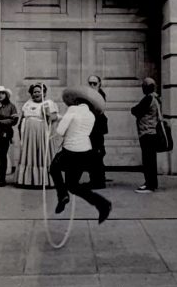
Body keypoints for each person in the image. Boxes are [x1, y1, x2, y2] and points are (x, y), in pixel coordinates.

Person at [49, 86, 112, 224]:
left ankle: (62, 195)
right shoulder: (90, 115)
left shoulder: (72, 109)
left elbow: (60, 131)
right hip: (85, 151)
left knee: (53, 169)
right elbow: (78, 125)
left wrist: (56, 124)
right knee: (73, 185)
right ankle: (101, 204)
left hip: (70, 150)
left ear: (76, 101)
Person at [16, 83, 59, 188]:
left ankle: (45, 181)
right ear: (31, 94)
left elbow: (54, 117)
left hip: (42, 133)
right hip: (29, 135)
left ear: (44, 93)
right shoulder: (27, 104)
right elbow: (22, 118)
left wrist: (48, 113)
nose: (36, 94)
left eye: (39, 91)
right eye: (34, 92)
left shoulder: (48, 103)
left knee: (42, 154)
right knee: (29, 155)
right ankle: (28, 181)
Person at [131, 77, 161, 194]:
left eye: (143, 87)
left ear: (146, 88)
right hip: (152, 132)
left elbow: (136, 111)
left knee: (148, 160)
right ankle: (153, 183)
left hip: (146, 132)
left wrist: (133, 109)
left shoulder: (148, 98)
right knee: (151, 160)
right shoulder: (156, 98)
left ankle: (149, 185)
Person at [86, 75, 108, 189]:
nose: (92, 85)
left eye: (94, 83)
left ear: (99, 84)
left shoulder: (100, 96)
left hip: (97, 128)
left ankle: (98, 181)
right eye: (90, 83)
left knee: (97, 153)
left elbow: (97, 110)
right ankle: (95, 179)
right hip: (91, 128)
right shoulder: (89, 95)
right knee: (93, 153)